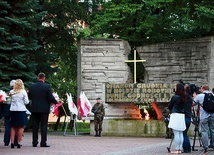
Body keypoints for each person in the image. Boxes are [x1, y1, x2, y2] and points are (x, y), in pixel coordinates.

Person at [28, 73, 58, 147]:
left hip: (34, 109)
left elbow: (30, 97)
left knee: (35, 126)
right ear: (44, 78)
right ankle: (43, 143)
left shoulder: (32, 86)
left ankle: (34, 142)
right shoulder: (47, 86)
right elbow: (50, 97)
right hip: (44, 109)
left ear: (38, 78)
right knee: (43, 126)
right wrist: (56, 102)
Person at [10, 79, 29, 148]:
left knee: (13, 126)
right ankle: (18, 142)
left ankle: (12, 142)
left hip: (13, 110)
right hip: (21, 110)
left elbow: (9, 101)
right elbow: (27, 102)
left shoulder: (11, 92)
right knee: (21, 126)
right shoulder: (23, 92)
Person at [194, 85, 214, 151]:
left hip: (204, 116)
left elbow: (192, 104)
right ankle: (213, 144)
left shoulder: (200, 96)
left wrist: (194, 97)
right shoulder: (213, 95)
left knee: (204, 131)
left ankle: (205, 146)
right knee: (213, 130)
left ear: (203, 89)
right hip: (212, 115)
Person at [168, 84, 186, 154]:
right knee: (180, 133)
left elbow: (170, 106)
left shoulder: (175, 97)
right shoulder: (184, 97)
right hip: (181, 115)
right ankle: (180, 149)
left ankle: (176, 149)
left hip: (175, 115)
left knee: (176, 134)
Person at [0, 80, 18, 146]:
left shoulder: (5, 93)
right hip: (15, 111)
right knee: (15, 127)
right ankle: (15, 142)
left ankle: (6, 142)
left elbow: (2, 103)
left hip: (7, 112)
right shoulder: (17, 93)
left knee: (7, 127)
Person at [182, 85, 193, 153]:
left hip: (184, 116)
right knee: (185, 133)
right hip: (189, 116)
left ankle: (186, 149)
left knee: (183, 134)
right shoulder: (190, 98)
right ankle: (188, 148)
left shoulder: (183, 97)